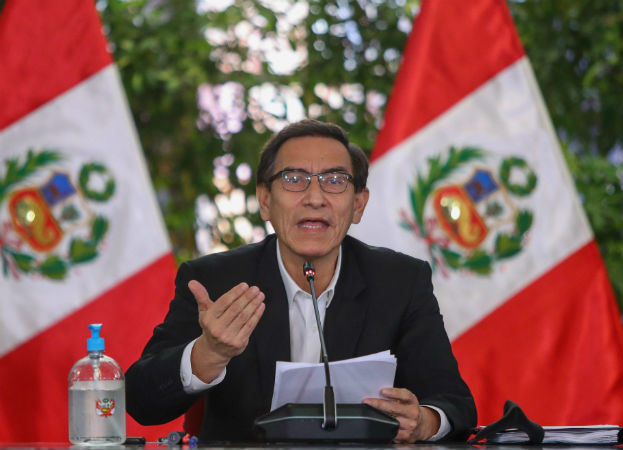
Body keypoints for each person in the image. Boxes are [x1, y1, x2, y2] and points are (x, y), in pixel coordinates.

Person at [126, 119, 476, 443]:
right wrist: (208, 354)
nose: (314, 197)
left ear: (358, 205)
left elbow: (454, 402)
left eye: (335, 181)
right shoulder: (214, 281)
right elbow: (140, 401)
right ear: (265, 200)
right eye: (294, 180)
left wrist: (424, 421)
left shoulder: (400, 281)